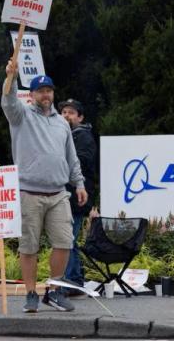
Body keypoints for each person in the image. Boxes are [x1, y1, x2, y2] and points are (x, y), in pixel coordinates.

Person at [1, 62, 88, 313]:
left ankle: (54, 290)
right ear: (31, 95)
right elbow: (8, 100)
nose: (46, 95)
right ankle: (30, 294)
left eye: (49, 90)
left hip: (59, 193)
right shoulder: (20, 115)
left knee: (64, 243)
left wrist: (79, 183)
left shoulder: (62, 123)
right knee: (29, 246)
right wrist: (11, 77)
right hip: (29, 193)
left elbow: (71, 157)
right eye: (41, 91)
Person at [58, 99, 97, 295]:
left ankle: (72, 281)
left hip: (76, 197)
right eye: (64, 112)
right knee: (67, 239)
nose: (66, 116)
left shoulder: (83, 137)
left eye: (71, 112)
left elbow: (80, 163)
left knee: (68, 239)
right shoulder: (65, 136)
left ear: (80, 117)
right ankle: (74, 278)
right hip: (66, 196)